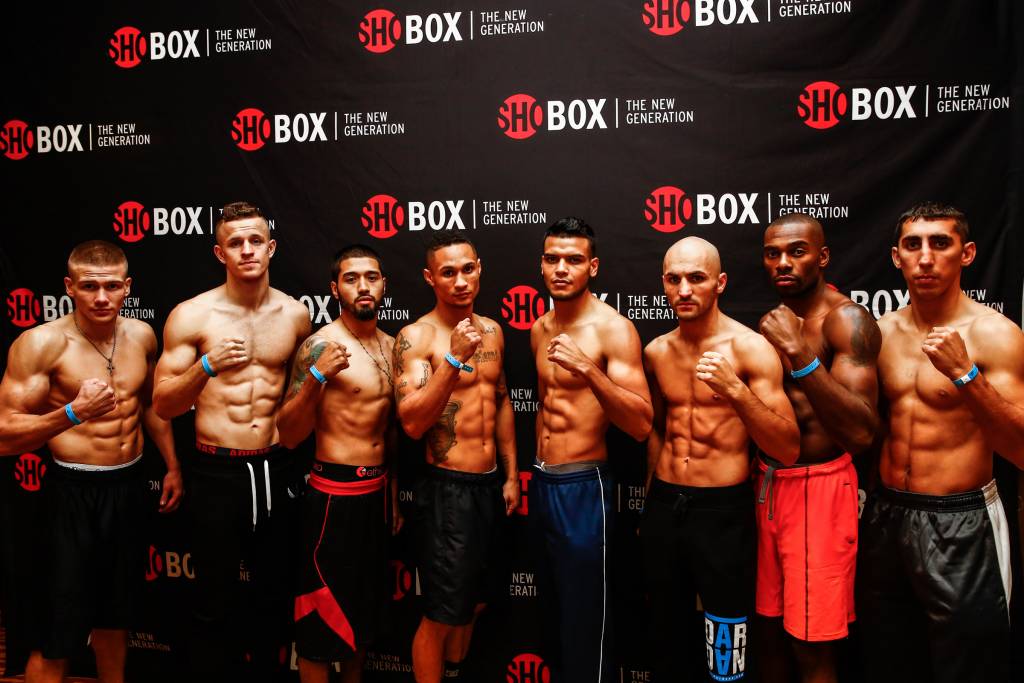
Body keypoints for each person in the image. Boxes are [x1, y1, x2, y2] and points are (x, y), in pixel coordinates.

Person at [0, 241, 182, 683]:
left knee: (115, 618)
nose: (101, 297)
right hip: (71, 494)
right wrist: (71, 414)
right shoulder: (41, 344)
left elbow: (148, 406)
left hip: (128, 488)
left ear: (127, 287)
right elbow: (4, 436)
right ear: (69, 287)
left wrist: (172, 465)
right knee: (57, 629)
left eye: (112, 286)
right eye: (89, 287)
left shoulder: (142, 335)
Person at [860, 202, 1024, 683]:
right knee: (891, 659)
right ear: (897, 257)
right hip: (888, 515)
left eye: (940, 243)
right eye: (913, 245)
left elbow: (1020, 449)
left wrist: (965, 374)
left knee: (970, 665)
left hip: (962, 520)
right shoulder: (881, 332)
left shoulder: (995, 335)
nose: (926, 257)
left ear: (967, 253)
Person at [153, 201, 310, 682]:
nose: (247, 250)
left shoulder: (295, 314)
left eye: (255, 240)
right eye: (235, 242)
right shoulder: (192, 316)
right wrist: (206, 366)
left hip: (276, 467)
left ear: (271, 247)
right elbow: (163, 404)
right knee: (212, 600)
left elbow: (299, 401)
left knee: (273, 597)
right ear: (220, 253)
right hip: (216, 472)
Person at [641, 236, 799, 682]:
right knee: (666, 635)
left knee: (727, 643)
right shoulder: (656, 352)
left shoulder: (750, 348)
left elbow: (787, 447)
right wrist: (651, 503)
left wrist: (735, 391)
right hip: (666, 504)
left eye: (696, 278)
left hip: (723, 511)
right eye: (674, 279)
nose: (684, 290)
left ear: (720, 283)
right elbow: (657, 432)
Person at [757, 213, 881, 683]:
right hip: (770, 485)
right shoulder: (776, 320)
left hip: (820, 490)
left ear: (823, 256)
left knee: (811, 646)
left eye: (796, 252)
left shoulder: (846, 320)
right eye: (772, 254)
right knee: (769, 636)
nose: (783, 263)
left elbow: (861, 433)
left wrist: (800, 354)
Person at [529, 217, 652, 683]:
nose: (561, 268)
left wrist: (588, 370)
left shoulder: (612, 330)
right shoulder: (540, 328)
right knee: (552, 617)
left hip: (585, 487)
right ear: (542, 264)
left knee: (587, 620)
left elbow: (640, 424)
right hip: (543, 482)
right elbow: (545, 406)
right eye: (552, 259)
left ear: (593, 267)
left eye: (574, 260)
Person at [393, 234, 518, 683]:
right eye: (448, 272)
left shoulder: (494, 331)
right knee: (441, 615)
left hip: (489, 486)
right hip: (447, 492)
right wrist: (453, 359)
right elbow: (412, 422)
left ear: (480, 268)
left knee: (474, 604)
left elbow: (501, 400)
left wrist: (510, 474)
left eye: (467, 269)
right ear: (430, 278)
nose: (461, 281)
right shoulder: (417, 337)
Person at [277, 244, 402, 683]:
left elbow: (390, 432)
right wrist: (316, 377)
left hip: (376, 496)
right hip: (332, 499)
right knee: (319, 621)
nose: (363, 286)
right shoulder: (319, 345)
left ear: (384, 285)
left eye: (371, 277)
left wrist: (393, 494)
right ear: (335, 289)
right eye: (351, 278)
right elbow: (288, 433)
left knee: (360, 622)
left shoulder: (393, 346)